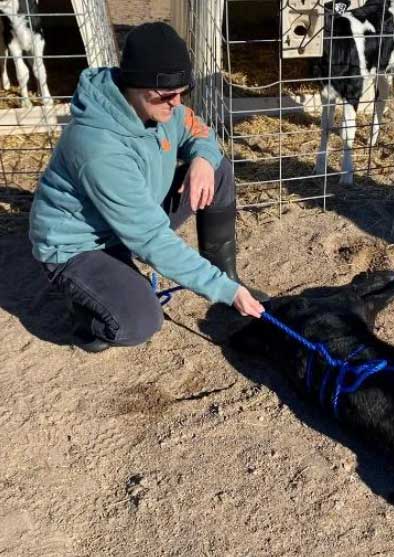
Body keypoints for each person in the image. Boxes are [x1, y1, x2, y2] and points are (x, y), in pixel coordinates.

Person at [29, 22, 265, 353]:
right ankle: (85, 309)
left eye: (184, 92)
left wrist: (201, 160)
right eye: (168, 96)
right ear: (135, 87)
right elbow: (151, 239)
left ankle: (227, 271)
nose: (177, 103)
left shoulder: (163, 106)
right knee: (139, 322)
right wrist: (221, 290)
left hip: (134, 213)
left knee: (217, 170)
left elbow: (200, 132)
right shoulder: (99, 148)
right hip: (82, 244)